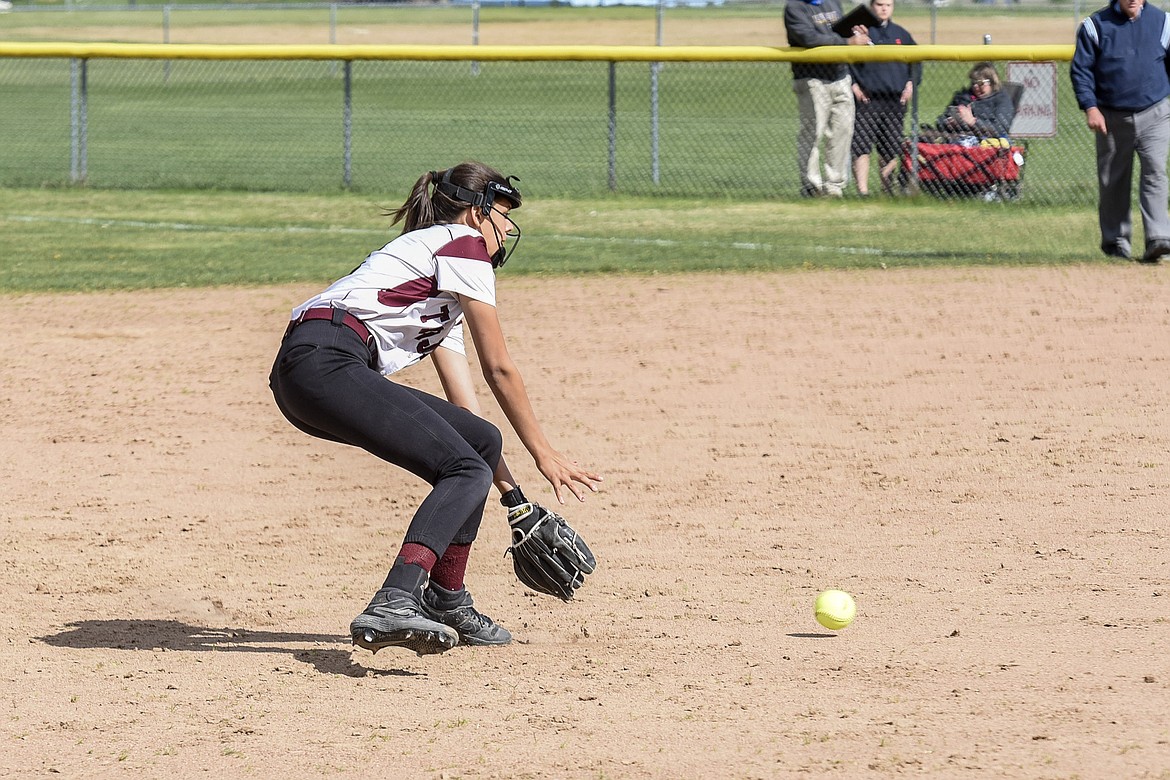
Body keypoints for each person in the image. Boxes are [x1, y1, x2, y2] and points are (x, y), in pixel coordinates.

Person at [269, 161, 602, 657]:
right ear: (474, 213)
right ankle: (396, 597)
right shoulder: (462, 246)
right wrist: (544, 453)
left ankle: (446, 598)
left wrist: (516, 500)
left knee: (475, 446)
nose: (507, 229)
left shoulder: (442, 285)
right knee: (464, 468)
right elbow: (500, 369)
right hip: (324, 360)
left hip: (316, 369)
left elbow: (472, 423)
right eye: (502, 215)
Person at [1071, 0, 1170, 263]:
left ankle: (1158, 238)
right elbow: (1081, 70)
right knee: (1113, 180)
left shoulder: (1163, 22)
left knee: (1155, 173)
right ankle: (1116, 242)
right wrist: (1090, 107)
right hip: (1111, 115)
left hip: (1156, 111)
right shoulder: (1095, 25)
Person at [784, 0, 871, 198]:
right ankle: (811, 186)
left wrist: (854, 32)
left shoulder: (832, 2)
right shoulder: (795, 7)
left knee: (843, 131)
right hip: (812, 78)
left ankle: (834, 186)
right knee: (813, 133)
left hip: (839, 75)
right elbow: (809, 38)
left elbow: (836, 32)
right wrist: (847, 43)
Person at [848, 0, 920, 196]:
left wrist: (911, 83)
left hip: (895, 101)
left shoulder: (901, 34)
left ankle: (887, 191)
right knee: (861, 145)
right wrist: (853, 84)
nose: (884, 8)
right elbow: (845, 60)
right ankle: (862, 192)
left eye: (888, 4)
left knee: (890, 147)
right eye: (879, 4)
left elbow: (916, 61)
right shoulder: (861, 33)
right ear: (871, 6)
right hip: (867, 100)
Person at [933, 62, 1016, 142]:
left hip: (986, 143)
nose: (976, 87)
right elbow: (940, 121)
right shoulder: (963, 97)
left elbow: (1001, 127)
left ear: (992, 82)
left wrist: (973, 122)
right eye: (973, 83)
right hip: (957, 139)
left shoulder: (1001, 99)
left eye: (980, 83)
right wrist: (949, 122)